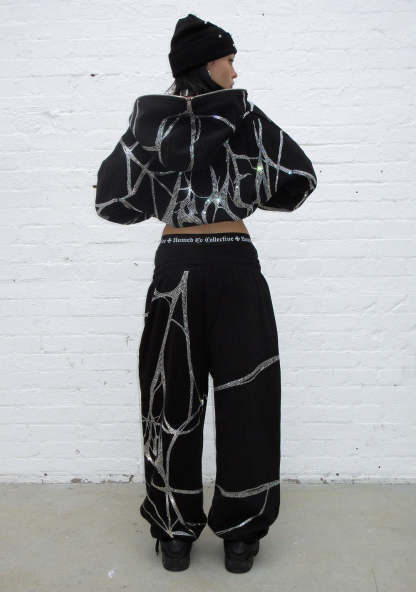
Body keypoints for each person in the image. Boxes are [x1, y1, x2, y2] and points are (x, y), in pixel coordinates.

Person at [95, 13, 317, 573]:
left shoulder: (150, 123)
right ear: (207, 64)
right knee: (249, 400)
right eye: (229, 60)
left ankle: (175, 533)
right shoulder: (243, 115)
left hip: (176, 264)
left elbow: (112, 199)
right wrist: (244, 192)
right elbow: (299, 178)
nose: (235, 71)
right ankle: (241, 535)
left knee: (169, 399)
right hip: (235, 262)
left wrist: (163, 198)